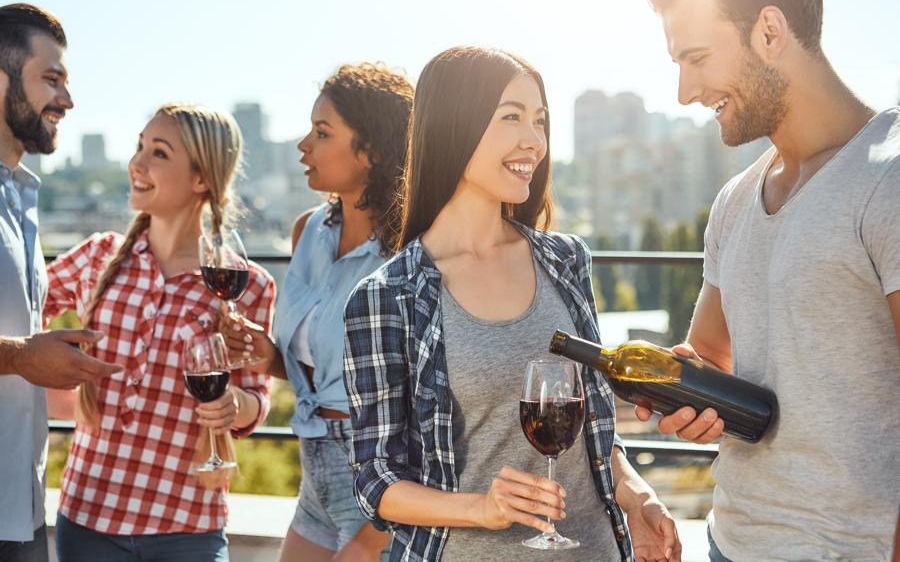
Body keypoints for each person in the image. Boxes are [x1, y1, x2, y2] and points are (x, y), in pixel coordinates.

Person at [342, 46, 681, 562]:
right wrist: (481, 508)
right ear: (456, 125)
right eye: (512, 117)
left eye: (540, 120)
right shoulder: (387, 296)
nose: (534, 140)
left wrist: (638, 498)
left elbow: (596, 430)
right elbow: (376, 481)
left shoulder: (566, 261)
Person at [639, 0, 900, 560]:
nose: (685, 91)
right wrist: (691, 389)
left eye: (697, 57)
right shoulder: (734, 202)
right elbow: (711, 354)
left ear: (770, 31)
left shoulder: (889, 179)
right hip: (730, 542)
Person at [42, 104, 275, 561]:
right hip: (90, 514)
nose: (138, 163)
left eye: (159, 153)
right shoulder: (98, 256)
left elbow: (256, 399)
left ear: (201, 179)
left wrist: (235, 407)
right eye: (140, 147)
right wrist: (48, 384)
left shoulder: (245, 284)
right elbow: (22, 314)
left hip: (188, 523)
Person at [221, 63, 412, 561]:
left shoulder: (409, 251)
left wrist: (376, 537)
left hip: (380, 487)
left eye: (322, 132)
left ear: (370, 149)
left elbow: (428, 399)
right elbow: (318, 369)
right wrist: (267, 356)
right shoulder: (308, 230)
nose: (303, 145)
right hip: (315, 471)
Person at [0, 3, 122, 561]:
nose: (66, 101)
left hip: (21, 504)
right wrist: (21, 356)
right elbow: (21, 354)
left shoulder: (21, 198)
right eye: (51, 80)